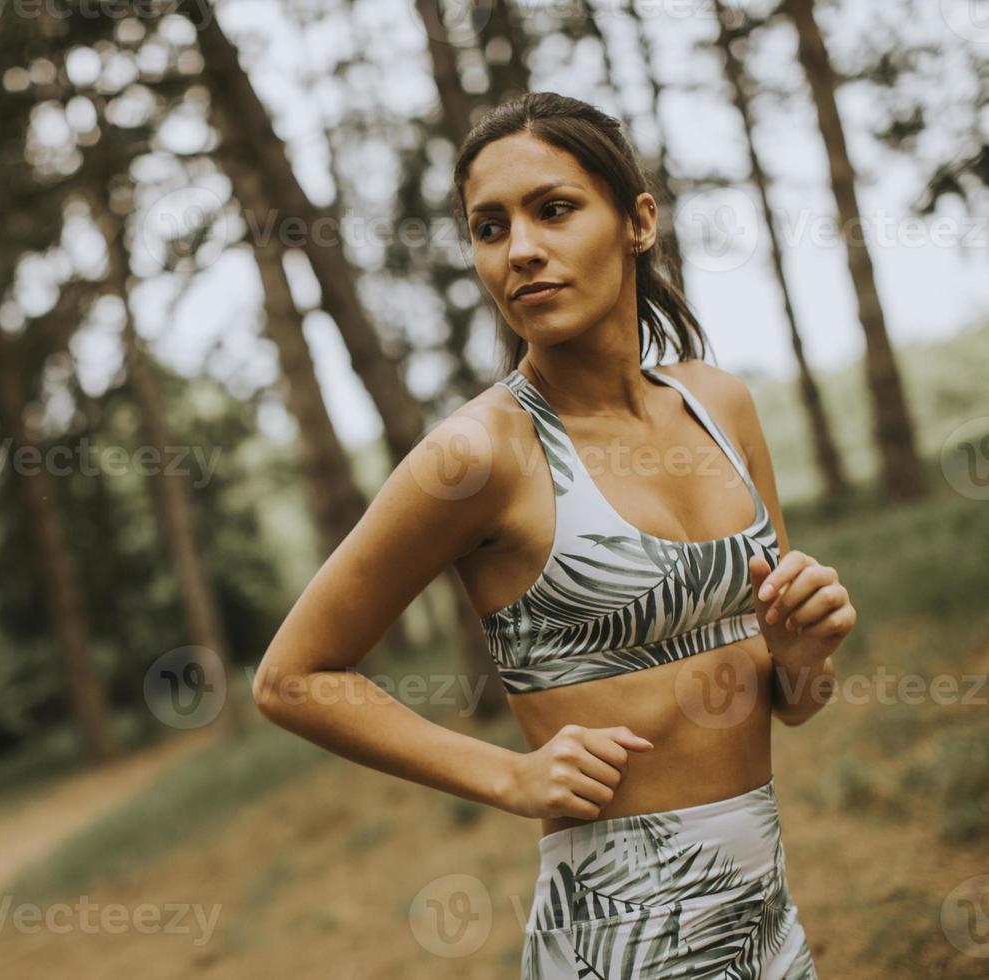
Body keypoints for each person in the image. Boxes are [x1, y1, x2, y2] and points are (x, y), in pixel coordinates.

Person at [251, 92, 855, 978]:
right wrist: (508, 776)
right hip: (619, 939)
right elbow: (291, 679)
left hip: (767, 925)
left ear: (637, 221)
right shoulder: (478, 455)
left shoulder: (720, 407)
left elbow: (794, 702)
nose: (521, 249)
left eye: (554, 209)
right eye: (489, 228)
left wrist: (803, 652)